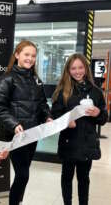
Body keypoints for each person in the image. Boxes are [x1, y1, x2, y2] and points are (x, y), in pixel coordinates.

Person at [0, 40, 52, 205]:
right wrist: (13, 124)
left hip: (32, 135)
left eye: (33, 56)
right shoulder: (6, 79)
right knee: (23, 175)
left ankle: (17, 201)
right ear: (17, 55)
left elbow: (42, 104)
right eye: (26, 54)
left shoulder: (36, 80)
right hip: (16, 136)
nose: (30, 58)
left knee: (23, 176)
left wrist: (47, 116)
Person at [51, 53, 107, 205]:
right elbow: (54, 115)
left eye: (80, 67)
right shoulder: (63, 91)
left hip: (88, 144)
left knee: (84, 179)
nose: (77, 71)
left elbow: (103, 119)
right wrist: (65, 121)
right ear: (68, 70)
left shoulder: (96, 92)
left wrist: (98, 113)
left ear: (86, 68)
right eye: (73, 68)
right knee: (67, 177)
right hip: (69, 142)